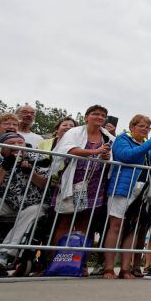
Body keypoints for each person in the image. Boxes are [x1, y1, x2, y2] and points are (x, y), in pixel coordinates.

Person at [102, 115, 151, 279]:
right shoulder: (122, 139)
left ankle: (125, 269)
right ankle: (109, 268)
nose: (145, 129)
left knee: (133, 227)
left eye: (148, 127)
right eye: (142, 126)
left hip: (143, 190)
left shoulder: (149, 145)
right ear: (132, 126)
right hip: (123, 187)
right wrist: (149, 144)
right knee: (116, 225)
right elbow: (126, 156)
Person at [51, 105, 114, 267]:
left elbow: (111, 159)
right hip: (72, 181)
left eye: (102, 115)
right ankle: (53, 262)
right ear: (86, 117)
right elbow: (67, 149)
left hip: (94, 183)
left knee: (85, 223)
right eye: (95, 114)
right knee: (65, 221)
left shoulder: (107, 137)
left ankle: (78, 263)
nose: (99, 117)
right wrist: (95, 152)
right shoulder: (74, 132)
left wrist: (106, 156)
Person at [0, 133, 49, 275]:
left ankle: (5, 254)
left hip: (34, 203)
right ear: (3, 148)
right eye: (12, 143)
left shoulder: (38, 157)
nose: (17, 146)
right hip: (8, 203)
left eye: (20, 142)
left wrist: (29, 172)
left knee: (32, 211)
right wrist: (4, 168)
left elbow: (45, 185)